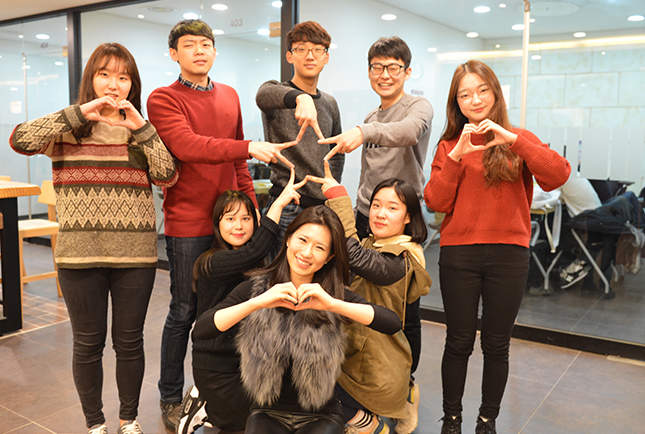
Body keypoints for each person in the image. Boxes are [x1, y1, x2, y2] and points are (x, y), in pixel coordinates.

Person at [10, 43, 178, 434]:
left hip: (135, 255)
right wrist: (78, 112)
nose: (114, 84)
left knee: (129, 342)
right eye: (105, 74)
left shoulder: (139, 132)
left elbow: (168, 175)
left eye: (123, 77)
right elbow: (20, 139)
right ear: (91, 79)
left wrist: (141, 128)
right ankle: (95, 423)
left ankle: (128, 420)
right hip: (79, 254)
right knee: (87, 343)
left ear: (132, 84)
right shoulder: (67, 129)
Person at [146, 19, 296, 432]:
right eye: (189, 45)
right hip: (189, 222)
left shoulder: (229, 95)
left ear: (214, 51)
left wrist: (252, 208)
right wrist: (249, 147)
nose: (199, 50)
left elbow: (237, 163)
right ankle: (171, 395)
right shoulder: (163, 98)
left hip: (234, 222)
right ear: (174, 54)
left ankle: (218, 387)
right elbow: (188, 146)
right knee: (185, 310)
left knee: (233, 305)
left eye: (206, 44)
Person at [423, 60, 570, 434]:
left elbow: (558, 175)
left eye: (481, 90)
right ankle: (451, 419)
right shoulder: (449, 145)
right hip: (459, 255)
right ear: (456, 103)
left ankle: (487, 420)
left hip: (509, 255)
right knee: (458, 342)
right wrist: (456, 156)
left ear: (496, 92)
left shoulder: (518, 137)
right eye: (464, 94)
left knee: (496, 344)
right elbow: (436, 202)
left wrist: (514, 141)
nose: (474, 100)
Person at [193, 206, 401, 434]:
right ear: (288, 239)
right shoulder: (258, 287)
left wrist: (332, 304)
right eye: (302, 240)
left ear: (329, 257)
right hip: (266, 411)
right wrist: (257, 302)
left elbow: (391, 323)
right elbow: (202, 330)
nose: (307, 252)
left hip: (322, 413)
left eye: (319, 247)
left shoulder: (331, 294)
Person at [182, 169, 307, 434]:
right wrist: (279, 204)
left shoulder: (255, 264)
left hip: (246, 361)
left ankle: (209, 407)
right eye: (230, 219)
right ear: (217, 224)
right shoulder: (212, 262)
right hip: (216, 367)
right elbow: (254, 251)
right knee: (246, 424)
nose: (238, 226)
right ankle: (202, 406)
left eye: (246, 218)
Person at [309, 164, 431, 434]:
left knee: (314, 389)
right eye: (376, 205)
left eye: (392, 208)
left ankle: (370, 425)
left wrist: (339, 198)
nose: (380, 213)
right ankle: (402, 396)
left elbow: (356, 257)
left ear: (408, 217)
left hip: (377, 365)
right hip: (360, 352)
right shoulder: (371, 243)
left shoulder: (402, 258)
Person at [320, 36, 433, 241]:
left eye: (393, 68)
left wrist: (363, 131)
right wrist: (358, 209)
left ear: (407, 72)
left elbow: (410, 132)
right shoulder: (371, 118)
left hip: (401, 215)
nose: (385, 75)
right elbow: (367, 171)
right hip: (366, 213)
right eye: (377, 68)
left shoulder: (418, 106)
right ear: (369, 72)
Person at [256, 21, 344, 252]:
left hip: (323, 206)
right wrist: (300, 98)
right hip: (288, 205)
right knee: (282, 271)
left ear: (326, 57)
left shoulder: (330, 103)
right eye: (301, 49)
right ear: (289, 56)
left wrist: (332, 186)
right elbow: (263, 94)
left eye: (317, 49)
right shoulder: (278, 95)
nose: (310, 56)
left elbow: (336, 151)